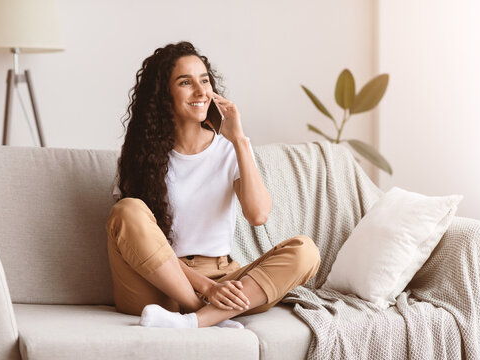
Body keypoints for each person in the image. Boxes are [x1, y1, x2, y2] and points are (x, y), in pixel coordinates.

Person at [105, 41, 321, 329]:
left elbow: (258, 215)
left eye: (204, 80)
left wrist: (240, 141)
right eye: (185, 82)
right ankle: (208, 317)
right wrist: (206, 291)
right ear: (163, 95)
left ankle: (193, 321)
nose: (200, 91)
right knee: (127, 210)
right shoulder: (139, 155)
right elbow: (138, 242)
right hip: (157, 282)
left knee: (305, 251)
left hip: (223, 278)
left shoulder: (230, 149)